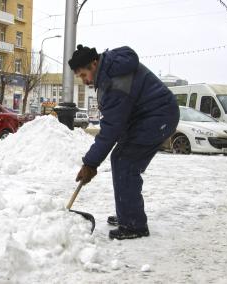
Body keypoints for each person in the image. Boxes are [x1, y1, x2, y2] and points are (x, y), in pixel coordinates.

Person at [69, 44, 179, 240]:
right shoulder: (111, 69)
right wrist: (91, 163)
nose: (84, 81)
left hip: (158, 117)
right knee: (122, 159)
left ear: (94, 64)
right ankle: (128, 214)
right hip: (149, 116)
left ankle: (134, 224)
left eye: (83, 75)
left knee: (125, 161)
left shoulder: (115, 81)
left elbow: (111, 128)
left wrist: (90, 163)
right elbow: (116, 122)